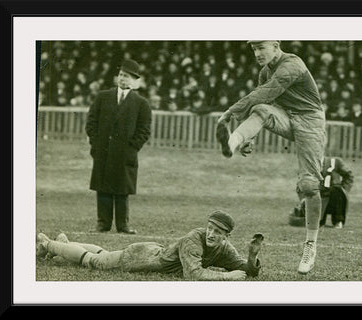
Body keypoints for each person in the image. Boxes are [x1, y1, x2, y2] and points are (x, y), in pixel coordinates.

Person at [215, 40, 326, 275]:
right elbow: (263, 104)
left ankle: (310, 244)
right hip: (286, 116)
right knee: (261, 110)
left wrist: (230, 112)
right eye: (254, 49)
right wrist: (248, 140)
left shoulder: (292, 64)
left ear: (276, 46)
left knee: (308, 185)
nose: (257, 53)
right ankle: (232, 143)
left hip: (310, 121)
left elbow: (268, 91)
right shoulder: (264, 72)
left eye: (261, 47)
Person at [36, 210, 264, 281]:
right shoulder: (194, 238)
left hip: (151, 251)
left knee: (103, 253)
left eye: (219, 232)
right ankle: (49, 244)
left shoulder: (224, 248)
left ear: (227, 236)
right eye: (211, 229)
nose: (212, 234)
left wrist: (251, 257)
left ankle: (64, 244)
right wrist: (227, 277)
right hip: (139, 257)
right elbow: (193, 274)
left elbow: (247, 270)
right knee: (94, 261)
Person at [85, 59, 152, 234]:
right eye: (121, 75)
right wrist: (96, 143)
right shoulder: (103, 97)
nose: (122, 79)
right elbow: (91, 122)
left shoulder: (141, 103)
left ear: (134, 80)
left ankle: (123, 225)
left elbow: (144, 130)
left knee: (122, 190)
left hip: (125, 153)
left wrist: (132, 148)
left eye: (127, 76)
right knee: (103, 188)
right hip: (103, 151)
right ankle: (103, 223)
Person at [289, 156, 354, 229]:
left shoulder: (335, 162)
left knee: (337, 190)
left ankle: (338, 221)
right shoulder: (308, 165)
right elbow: (300, 184)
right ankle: (319, 220)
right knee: (315, 223)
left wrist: (344, 189)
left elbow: (349, 176)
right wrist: (303, 199)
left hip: (333, 198)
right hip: (317, 198)